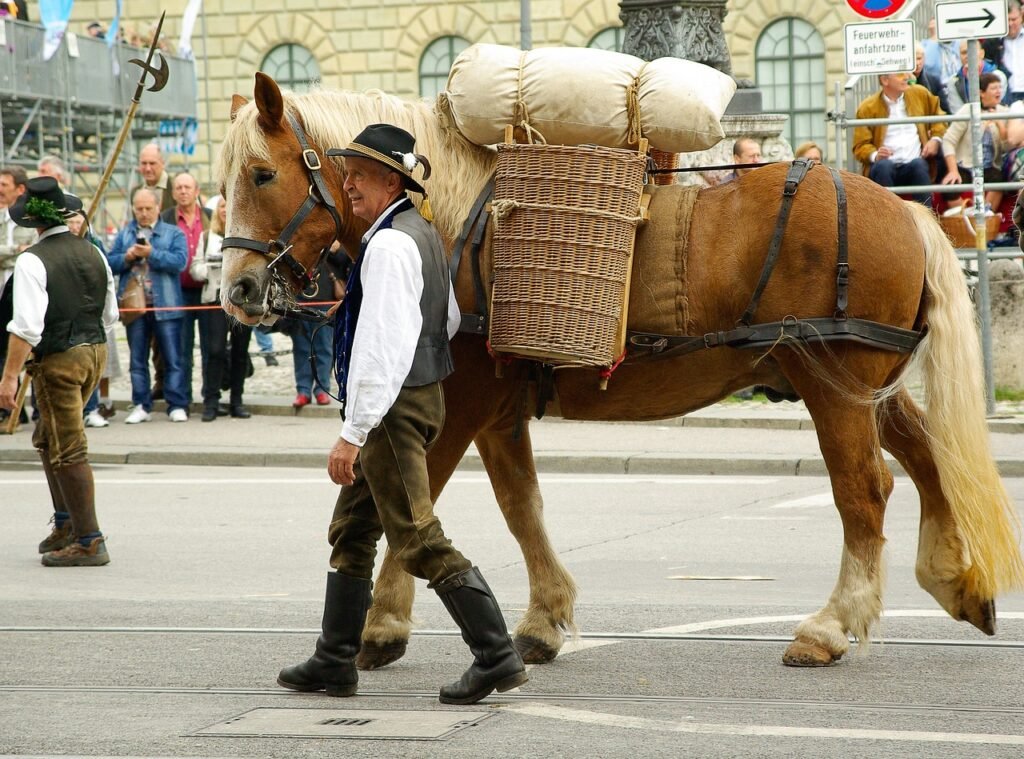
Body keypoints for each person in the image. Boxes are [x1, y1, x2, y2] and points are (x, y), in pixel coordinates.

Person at [277, 124, 527, 705]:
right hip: (417, 396)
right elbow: (439, 325)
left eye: (359, 175)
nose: (349, 185)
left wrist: (353, 432)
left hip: (390, 408)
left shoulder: (389, 246)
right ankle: (335, 658)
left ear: (391, 179)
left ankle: (496, 655)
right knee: (353, 529)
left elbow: (381, 348)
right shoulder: (421, 234)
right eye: (347, 174)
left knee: (415, 538)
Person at [0, 177, 118, 566]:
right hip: (94, 352)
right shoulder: (94, 253)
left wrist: (9, 377)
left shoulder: (33, 260)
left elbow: (26, 327)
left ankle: (89, 539)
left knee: (68, 448)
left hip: (59, 359)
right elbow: (110, 315)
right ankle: (67, 523)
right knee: (48, 439)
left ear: (33, 221)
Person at [107, 187, 189, 423]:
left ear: (157, 208)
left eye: (148, 208)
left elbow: (180, 262)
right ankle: (141, 404)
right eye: (139, 209)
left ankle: (176, 404)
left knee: (173, 358)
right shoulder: (124, 234)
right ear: (134, 208)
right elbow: (110, 263)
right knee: (137, 359)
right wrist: (128, 257)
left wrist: (151, 253)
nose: (143, 213)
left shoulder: (173, 233)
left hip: (167, 304)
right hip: (135, 307)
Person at [188, 197, 252, 421]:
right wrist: (212, 270)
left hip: (241, 301)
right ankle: (211, 402)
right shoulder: (207, 237)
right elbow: (195, 268)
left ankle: (237, 401)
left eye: (231, 206)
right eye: (223, 206)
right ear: (217, 211)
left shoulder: (247, 235)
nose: (227, 210)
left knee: (240, 353)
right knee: (213, 351)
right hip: (213, 300)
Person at [852, 72, 948, 206]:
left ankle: (927, 220)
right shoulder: (867, 107)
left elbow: (940, 117)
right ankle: (888, 220)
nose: (907, 77)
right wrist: (875, 155)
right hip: (885, 166)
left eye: (906, 72)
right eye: (900, 74)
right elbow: (860, 145)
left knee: (919, 165)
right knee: (883, 167)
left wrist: (935, 140)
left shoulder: (920, 94)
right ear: (885, 80)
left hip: (914, 162)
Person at [66, 210, 122, 429]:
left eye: (78, 221)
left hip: (91, 315)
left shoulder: (95, 247)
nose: (73, 226)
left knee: (90, 363)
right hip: (64, 316)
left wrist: (107, 318)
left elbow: (106, 280)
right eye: (69, 221)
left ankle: (91, 408)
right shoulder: (56, 247)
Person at [160, 172, 210, 408]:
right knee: (182, 348)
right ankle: (185, 397)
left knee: (211, 348)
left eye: (187, 187)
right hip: (178, 292)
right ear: (173, 193)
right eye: (178, 188)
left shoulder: (210, 218)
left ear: (196, 191)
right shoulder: (166, 219)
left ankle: (211, 397)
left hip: (208, 293)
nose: (183, 191)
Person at [941, 72, 1011, 216]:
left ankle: (987, 217)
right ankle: (966, 217)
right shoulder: (968, 110)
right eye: (993, 88)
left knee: (998, 180)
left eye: (999, 87)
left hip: (990, 166)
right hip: (965, 164)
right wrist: (953, 170)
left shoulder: (1005, 112)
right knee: (950, 186)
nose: (998, 91)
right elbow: (949, 140)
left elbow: (1007, 147)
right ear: (981, 93)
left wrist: (999, 123)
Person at [289, 259, 336, 409]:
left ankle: (322, 390)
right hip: (301, 299)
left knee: (324, 349)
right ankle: (303, 391)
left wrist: (336, 251)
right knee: (301, 348)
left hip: (326, 299)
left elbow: (345, 261)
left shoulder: (336, 243)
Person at [983, 2, 1024, 104]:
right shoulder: (992, 43)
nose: (1010, 24)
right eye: (1007, 20)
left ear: (1021, 17)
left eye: (1014, 19)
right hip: (1004, 96)